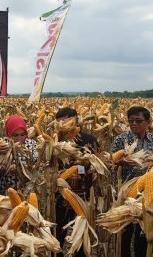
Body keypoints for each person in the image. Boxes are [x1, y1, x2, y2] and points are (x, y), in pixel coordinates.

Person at [111, 106, 153, 257]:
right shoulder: (121, 139)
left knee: (145, 229)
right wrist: (121, 162)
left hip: (149, 191)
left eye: (138, 121)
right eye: (130, 120)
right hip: (127, 190)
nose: (133, 124)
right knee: (125, 229)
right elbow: (110, 161)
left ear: (148, 122)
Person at [55, 107, 98, 257]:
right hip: (60, 194)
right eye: (60, 122)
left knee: (81, 228)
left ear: (76, 120)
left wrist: (81, 171)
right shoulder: (56, 140)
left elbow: (96, 165)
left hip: (83, 193)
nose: (63, 126)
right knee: (59, 229)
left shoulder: (89, 140)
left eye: (66, 121)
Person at [0, 115, 37, 195]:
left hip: (27, 189)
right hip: (5, 189)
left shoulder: (32, 144)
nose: (19, 138)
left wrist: (21, 168)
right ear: (9, 134)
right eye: (15, 135)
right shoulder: (1, 144)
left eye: (22, 134)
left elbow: (37, 163)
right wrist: (2, 168)